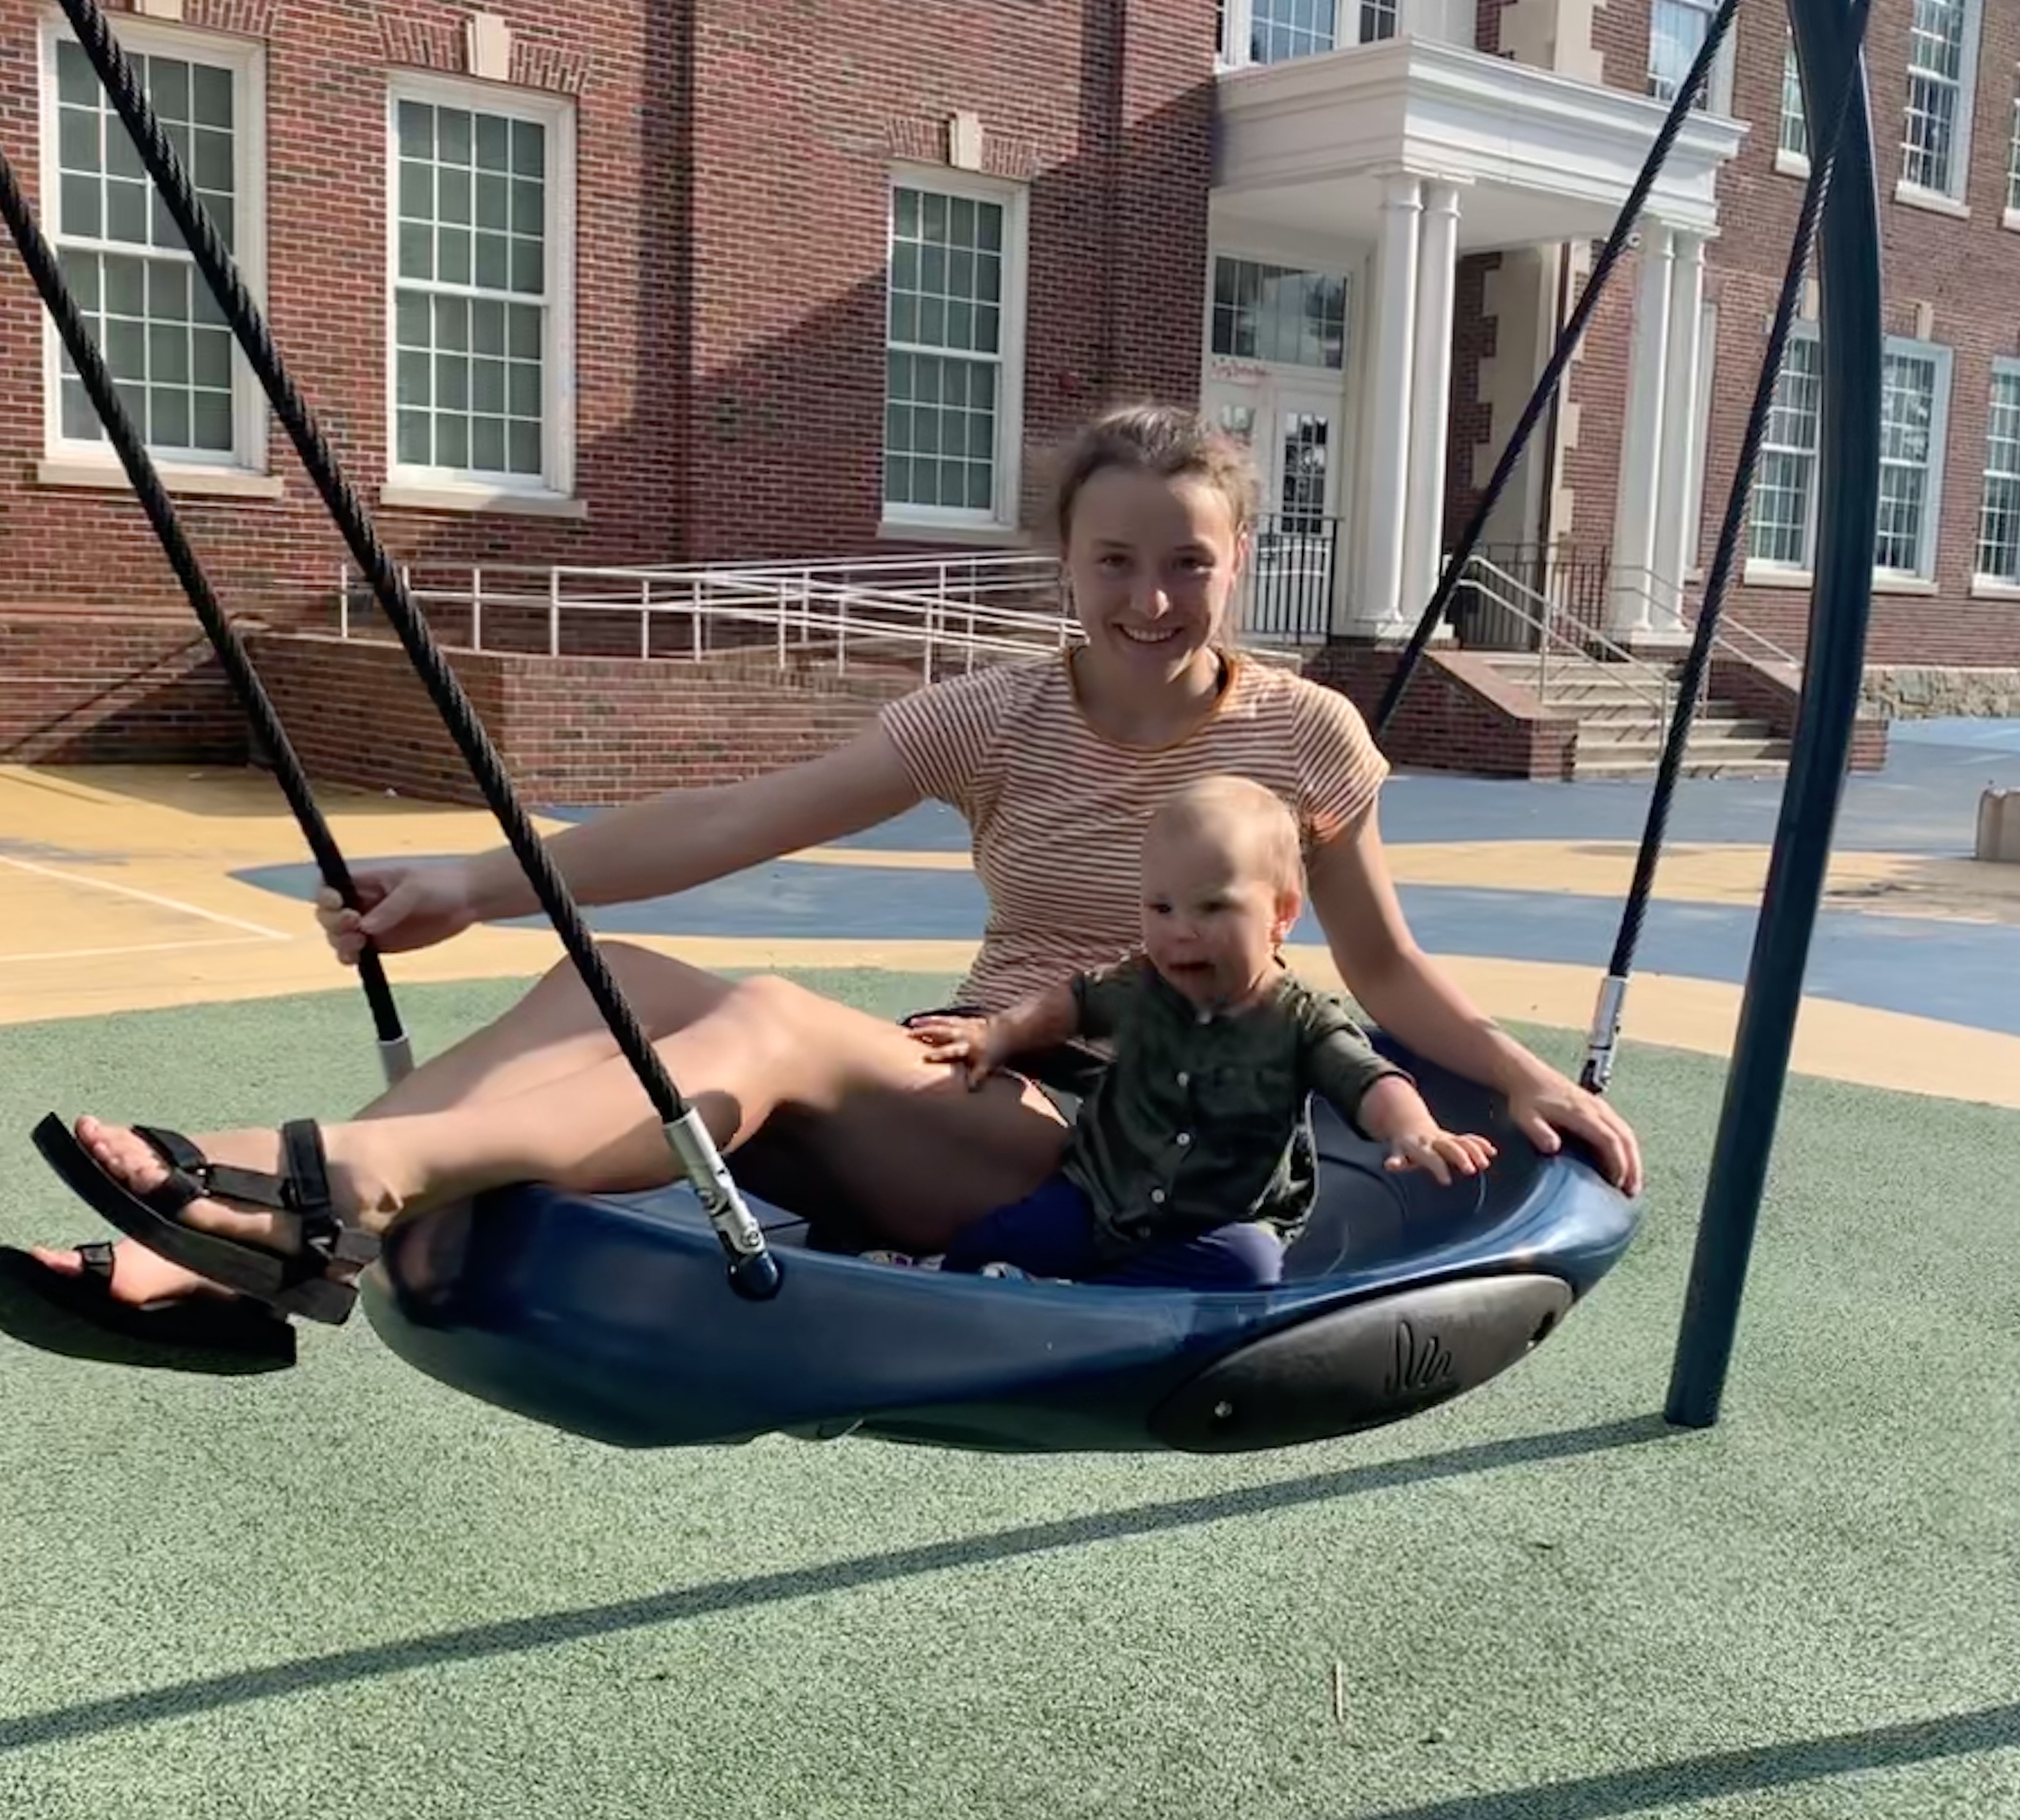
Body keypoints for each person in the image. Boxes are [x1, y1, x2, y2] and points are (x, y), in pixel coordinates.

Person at [23, 402, 1642, 1342]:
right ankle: (226, 1266)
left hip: (1125, 1143)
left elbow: (1384, 965)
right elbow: (738, 815)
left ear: (1238, 559)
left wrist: (1517, 1082)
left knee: (774, 1021)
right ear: (1064, 563)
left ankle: (353, 1185)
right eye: (1115, 562)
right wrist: (476, 880)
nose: (1152, 599)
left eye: (1189, 564)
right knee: (623, 984)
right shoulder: (996, 713)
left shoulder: (1308, 740)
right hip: (982, 1079)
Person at [893, 773, 1498, 1288]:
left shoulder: (1300, 1019)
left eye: (1212, 908)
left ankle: (1087, 1294)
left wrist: (1414, 1129)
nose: (1181, 931)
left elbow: (1369, 1079)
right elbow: (1066, 1008)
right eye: (1161, 908)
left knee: (1249, 1271)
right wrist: (996, 1035)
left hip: (1222, 1219)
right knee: (1006, 1231)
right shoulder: (1139, 986)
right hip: (1106, 1195)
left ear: (1281, 915)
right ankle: (947, 1280)